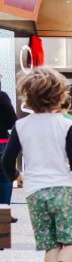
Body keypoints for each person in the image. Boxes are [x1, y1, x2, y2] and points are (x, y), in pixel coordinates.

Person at [1, 67, 72, 262]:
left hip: (34, 193)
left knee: (51, 243)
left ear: (28, 96)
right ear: (60, 95)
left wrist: (19, 177)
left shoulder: (21, 126)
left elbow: (7, 162)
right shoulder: (64, 125)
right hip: (60, 189)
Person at [0, 86, 18, 223]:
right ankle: (3, 213)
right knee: (5, 178)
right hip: (1, 142)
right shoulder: (2, 97)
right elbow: (13, 121)